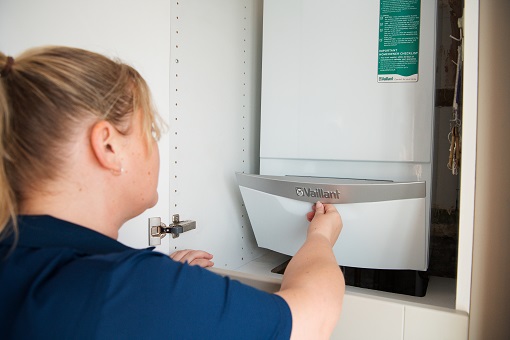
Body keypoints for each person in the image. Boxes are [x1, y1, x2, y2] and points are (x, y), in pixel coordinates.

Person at [0, 46, 345, 339]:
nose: (155, 146)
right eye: (149, 130)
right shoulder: (128, 288)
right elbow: (314, 318)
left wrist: (165, 285)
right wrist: (320, 238)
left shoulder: (19, 260)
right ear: (108, 146)